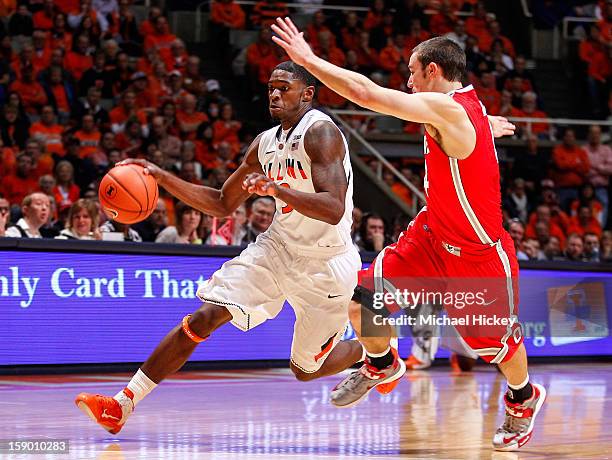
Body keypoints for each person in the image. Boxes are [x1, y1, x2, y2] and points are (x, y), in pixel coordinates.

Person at [271, 18, 545, 451]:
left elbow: (365, 94)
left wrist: (308, 60)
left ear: (434, 71)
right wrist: (485, 128)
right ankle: (381, 363)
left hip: (476, 255)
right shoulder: (462, 110)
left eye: (413, 73)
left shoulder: (449, 110)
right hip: (432, 236)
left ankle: (524, 398)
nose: (408, 82)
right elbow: (464, 128)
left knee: (496, 346)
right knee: (360, 299)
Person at [75, 61, 365, 435]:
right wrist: (162, 178)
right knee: (204, 317)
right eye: (270, 88)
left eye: (284, 88)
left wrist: (277, 190)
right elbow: (220, 202)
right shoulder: (264, 144)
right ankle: (122, 403)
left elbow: (334, 207)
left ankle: (370, 348)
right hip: (277, 249)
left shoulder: (321, 132)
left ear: (307, 93)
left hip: (326, 262)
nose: (275, 95)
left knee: (304, 370)